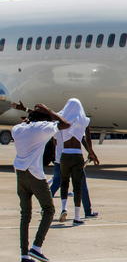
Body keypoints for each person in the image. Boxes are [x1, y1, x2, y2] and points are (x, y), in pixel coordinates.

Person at [12, 102, 71, 262]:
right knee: (49, 210)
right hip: (35, 175)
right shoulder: (43, 128)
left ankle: (24, 254)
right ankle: (37, 248)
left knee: (25, 215)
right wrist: (49, 110)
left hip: (20, 175)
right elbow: (66, 124)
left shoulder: (17, 129)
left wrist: (27, 111)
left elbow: (29, 120)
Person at [57, 98, 99, 225]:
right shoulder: (83, 120)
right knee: (77, 186)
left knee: (64, 183)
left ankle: (63, 208)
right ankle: (76, 217)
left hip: (65, 155)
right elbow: (86, 139)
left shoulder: (62, 120)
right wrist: (91, 153)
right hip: (77, 155)